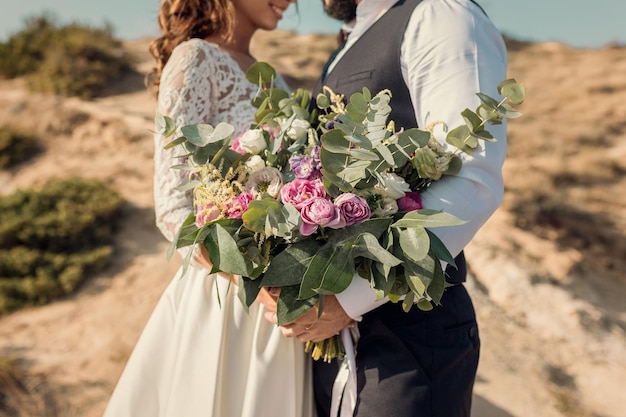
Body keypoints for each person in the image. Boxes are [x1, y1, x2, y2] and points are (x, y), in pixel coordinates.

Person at [266, 1, 509, 416]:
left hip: (411, 335)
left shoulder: (440, 15)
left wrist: (346, 300)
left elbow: (472, 178)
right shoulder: (353, 38)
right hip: (336, 340)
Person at [102, 1, 315, 416]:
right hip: (227, 298)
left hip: (285, 305)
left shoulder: (275, 80)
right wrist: (252, 277)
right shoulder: (195, 57)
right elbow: (172, 204)